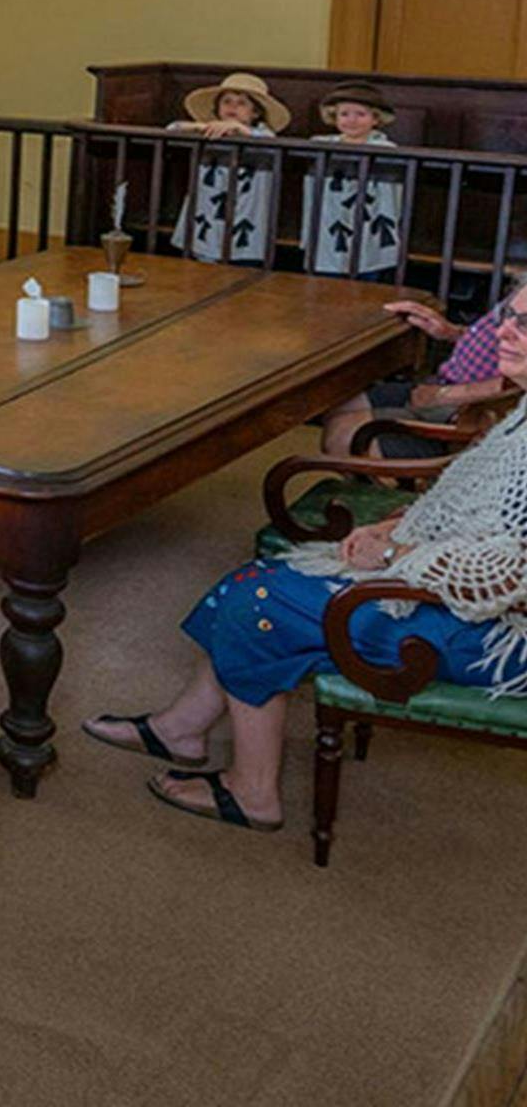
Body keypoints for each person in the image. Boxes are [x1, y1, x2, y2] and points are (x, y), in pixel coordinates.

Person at [83, 279, 527, 834]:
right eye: (507, 315)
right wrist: (399, 525)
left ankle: (253, 793)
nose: (503, 330)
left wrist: (396, 550)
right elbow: (479, 510)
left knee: (257, 600)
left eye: (523, 324)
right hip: (450, 593)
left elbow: (508, 573)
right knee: (256, 577)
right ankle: (181, 728)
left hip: (494, 636)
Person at [318, 296, 509, 457]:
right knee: (336, 405)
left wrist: (445, 395)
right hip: (445, 384)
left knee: (342, 435)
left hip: (470, 413)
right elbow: (500, 338)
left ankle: (381, 493)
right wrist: (454, 332)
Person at [165, 72, 288, 265]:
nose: (233, 107)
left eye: (241, 103)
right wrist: (199, 127)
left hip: (246, 209)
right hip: (207, 208)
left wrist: (240, 130)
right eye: (227, 102)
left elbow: (270, 142)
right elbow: (171, 129)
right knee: (203, 255)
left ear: (255, 112)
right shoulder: (209, 132)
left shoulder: (263, 134)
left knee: (242, 259)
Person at [302, 82, 406, 280]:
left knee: (366, 267)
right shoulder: (322, 144)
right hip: (329, 219)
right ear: (334, 117)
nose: (352, 120)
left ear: (375, 118)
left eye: (360, 114)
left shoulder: (385, 148)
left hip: (367, 222)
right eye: (344, 114)